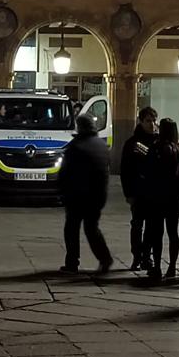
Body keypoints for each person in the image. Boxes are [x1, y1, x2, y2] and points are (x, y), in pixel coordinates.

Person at [58, 114, 113, 274]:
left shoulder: (77, 146)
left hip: (78, 196)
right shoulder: (101, 145)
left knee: (72, 229)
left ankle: (72, 262)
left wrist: (62, 191)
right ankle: (105, 258)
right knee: (91, 228)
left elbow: (66, 173)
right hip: (97, 196)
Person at [145, 118, 179, 279]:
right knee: (173, 232)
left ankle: (157, 266)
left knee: (157, 233)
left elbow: (149, 170)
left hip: (159, 195)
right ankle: (173, 267)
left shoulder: (157, 147)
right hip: (175, 196)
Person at [120, 107, 158, 271]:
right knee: (137, 225)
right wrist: (128, 193)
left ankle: (146, 256)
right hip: (137, 190)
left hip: (153, 191)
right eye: (149, 121)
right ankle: (137, 255)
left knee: (151, 226)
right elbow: (125, 170)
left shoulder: (158, 141)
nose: (152, 124)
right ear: (141, 121)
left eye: (154, 120)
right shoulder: (132, 143)